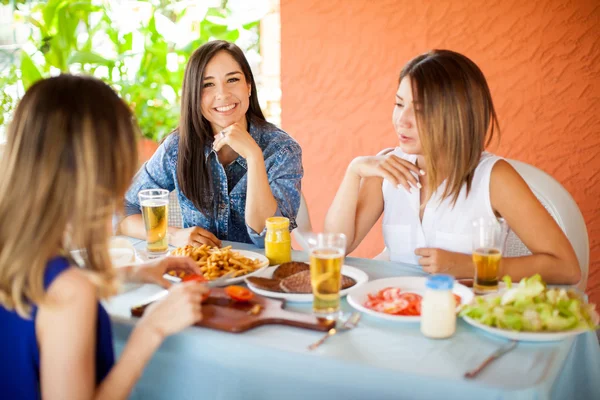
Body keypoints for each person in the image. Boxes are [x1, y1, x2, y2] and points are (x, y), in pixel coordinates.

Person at [0, 75, 209, 399]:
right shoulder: (70, 294)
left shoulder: (18, 258)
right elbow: (63, 297)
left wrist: (135, 273)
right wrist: (152, 329)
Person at [324, 50, 580, 284]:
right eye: (399, 104)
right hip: (397, 311)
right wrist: (354, 170)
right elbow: (336, 247)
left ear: (455, 116)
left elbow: (566, 267)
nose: (402, 120)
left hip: (467, 321)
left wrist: (471, 265)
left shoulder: (494, 177)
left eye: (421, 111)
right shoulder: (388, 167)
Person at [119, 40, 303, 248]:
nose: (222, 94)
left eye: (232, 80)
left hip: (261, 276)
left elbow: (264, 236)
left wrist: (253, 156)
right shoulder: (178, 147)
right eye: (208, 84)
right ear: (194, 96)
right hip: (196, 274)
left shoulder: (282, 150)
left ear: (249, 87)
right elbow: (126, 208)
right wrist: (171, 235)